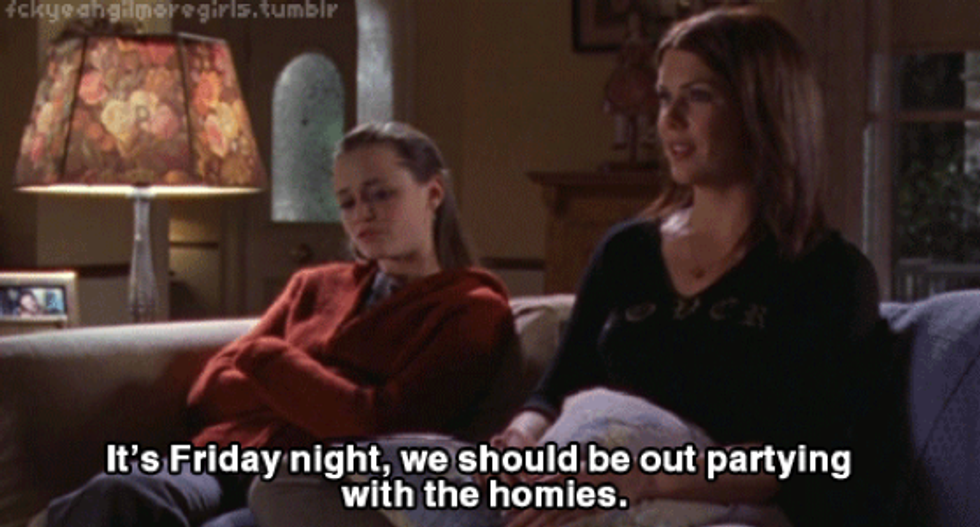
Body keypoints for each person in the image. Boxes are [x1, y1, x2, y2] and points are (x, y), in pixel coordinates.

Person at [486, 7, 896, 527]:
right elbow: (556, 389)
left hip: (716, 508)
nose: (669, 119)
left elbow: (811, 456)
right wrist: (520, 436)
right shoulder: (625, 252)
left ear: (761, 110)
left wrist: (643, 480)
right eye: (664, 97)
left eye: (698, 96)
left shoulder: (828, 274)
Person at [35, 122, 517, 527]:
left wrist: (269, 359)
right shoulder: (315, 284)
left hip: (315, 484)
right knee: (120, 491)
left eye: (380, 194)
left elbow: (380, 424)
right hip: (224, 457)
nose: (362, 214)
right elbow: (208, 393)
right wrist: (326, 394)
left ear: (433, 194)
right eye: (347, 202)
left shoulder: (471, 308)